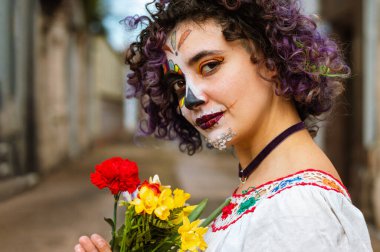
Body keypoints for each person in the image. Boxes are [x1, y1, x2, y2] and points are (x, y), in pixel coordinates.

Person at [75, 0, 373, 251]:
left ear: (271, 60)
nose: (190, 99)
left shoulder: (299, 211)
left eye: (210, 66)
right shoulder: (268, 185)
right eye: (179, 83)